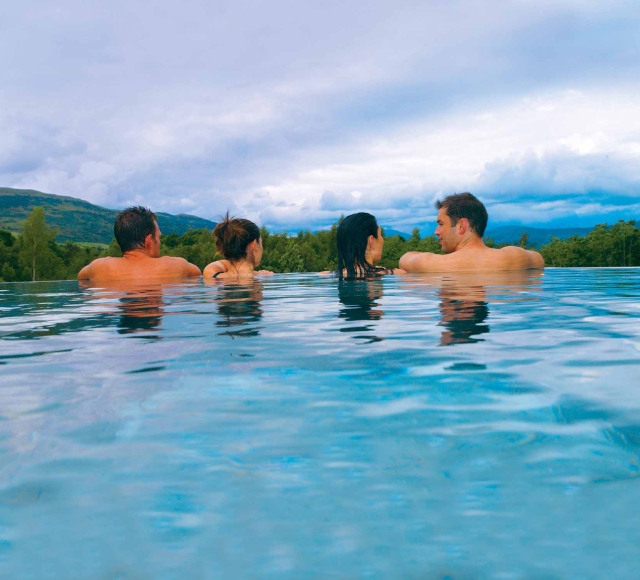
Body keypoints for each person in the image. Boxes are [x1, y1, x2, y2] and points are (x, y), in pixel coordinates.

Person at [399, 193, 544, 272]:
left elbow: (405, 259)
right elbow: (539, 259)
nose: (436, 232)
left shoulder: (438, 263)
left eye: (441, 224)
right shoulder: (515, 257)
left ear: (462, 225)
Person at [78, 206, 201, 281]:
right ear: (149, 241)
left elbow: (81, 278)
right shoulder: (178, 266)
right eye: (158, 238)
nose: (159, 243)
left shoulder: (98, 267)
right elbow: (198, 275)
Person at [324, 212, 405, 279]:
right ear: (371, 241)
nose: (382, 240)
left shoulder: (327, 275)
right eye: (381, 235)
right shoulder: (398, 274)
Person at [203, 213, 273, 279]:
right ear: (254, 245)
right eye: (260, 243)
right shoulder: (264, 279)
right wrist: (258, 274)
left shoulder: (213, 277)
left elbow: (215, 265)